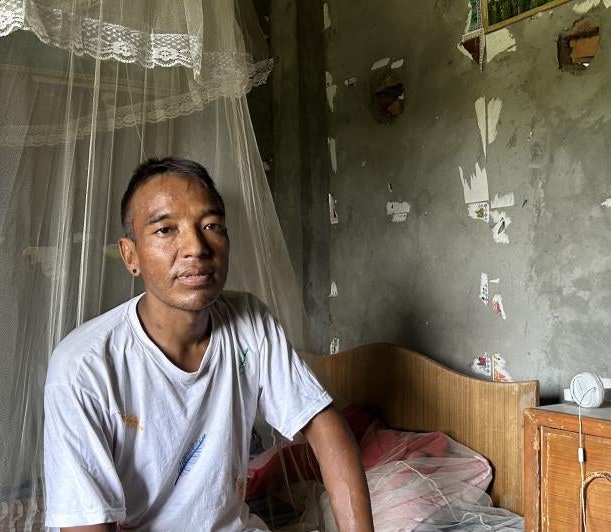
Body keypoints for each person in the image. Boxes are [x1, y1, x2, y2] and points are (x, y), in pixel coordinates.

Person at [43, 157, 373, 531]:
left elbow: (323, 425)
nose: (196, 247)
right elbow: (85, 524)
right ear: (130, 255)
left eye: (211, 225)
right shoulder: (84, 364)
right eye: (166, 230)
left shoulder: (250, 320)